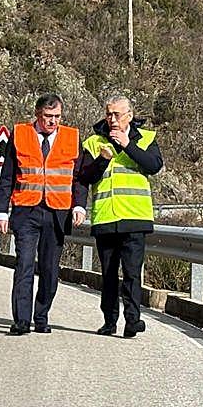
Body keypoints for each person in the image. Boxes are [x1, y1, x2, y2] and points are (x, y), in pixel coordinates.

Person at [0, 93, 87, 335]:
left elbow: (79, 178)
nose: (52, 121)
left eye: (56, 116)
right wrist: (1, 212)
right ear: (37, 115)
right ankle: (21, 321)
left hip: (57, 212)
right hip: (27, 211)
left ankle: (41, 316)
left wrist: (79, 205)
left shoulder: (72, 137)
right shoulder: (21, 134)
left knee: (49, 269)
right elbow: (7, 176)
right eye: (47, 116)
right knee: (24, 265)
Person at [78, 94, 163, 338]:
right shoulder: (93, 142)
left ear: (129, 116)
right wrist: (103, 160)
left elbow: (153, 165)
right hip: (105, 219)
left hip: (135, 217)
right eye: (108, 114)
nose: (112, 119)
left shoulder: (146, 139)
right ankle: (109, 320)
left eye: (117, 114)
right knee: (108, 274)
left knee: (132, 273)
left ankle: (132, 320)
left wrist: (127, 144)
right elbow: (84, 176)